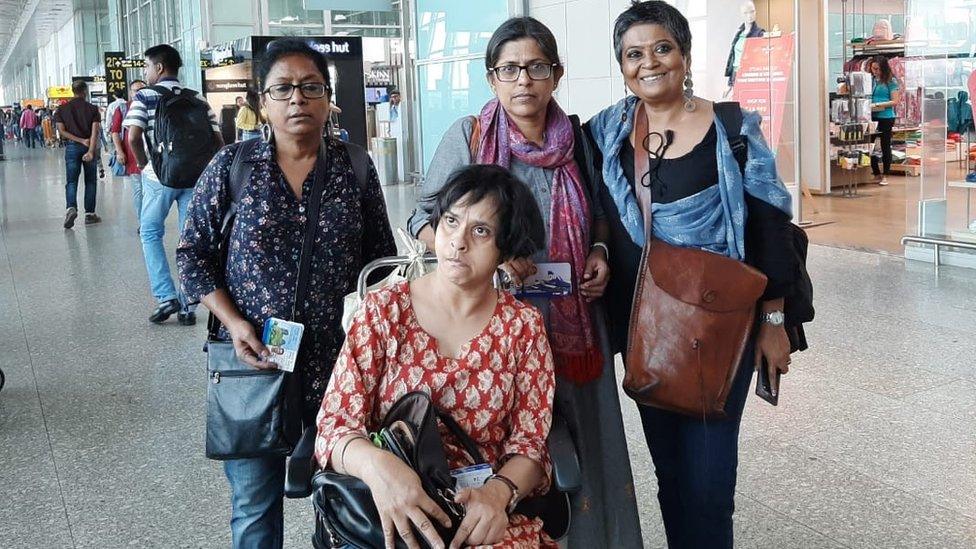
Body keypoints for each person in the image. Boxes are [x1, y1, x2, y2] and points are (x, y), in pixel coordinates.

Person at [407, 16, 643, 547]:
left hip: (575, 325)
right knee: (509, 447)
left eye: (536, 68)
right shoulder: (469, 136)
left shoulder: (578, 140)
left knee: (588, 447)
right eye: (509, 69)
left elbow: (602, 213)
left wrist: (600, 251)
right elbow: (422, 218)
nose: (523, 81)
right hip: (494, 333)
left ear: (556, 75)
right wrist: (485, 262)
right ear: (491, 79)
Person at [586, 3, 798, 547]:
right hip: (651, 331)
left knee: (709, 483)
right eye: (634, 54)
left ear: (684, 55)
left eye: (662, 48)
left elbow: (771, 226)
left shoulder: (732, 128)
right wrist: (604, 248)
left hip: (721, 328)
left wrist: (774, 322)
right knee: (671, 478)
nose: (649, 63)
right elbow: (596, 211)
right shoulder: (607, 133)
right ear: (621, 64)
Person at [177, 37, 396, 549]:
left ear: (328, 97)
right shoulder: (232, 167)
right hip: (253, 363)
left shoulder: (356, 168)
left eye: (310, 87)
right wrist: (234, 323)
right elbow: (191, 257)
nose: (297, 99)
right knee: (254, 509)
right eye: (283, 89)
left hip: (341, 366)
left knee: (344, 498)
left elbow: (381, 263)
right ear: (261, 100)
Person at [317, 164, 556, 549]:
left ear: (506, 249)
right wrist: (379, 468)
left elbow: (530, 444)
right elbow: (334, 426)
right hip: (385, 512)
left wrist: (500, 493)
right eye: (450, 221)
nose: (458, 242)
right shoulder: (384, 312)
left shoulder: (521, 327)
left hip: (484, 517)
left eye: (481, 231)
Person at [124, 44, 224, 326]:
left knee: (150, 232)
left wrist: (146, 166)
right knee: (188, 240)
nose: (145, 72)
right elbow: (218, 142)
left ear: (158, 67)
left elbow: (133, 137)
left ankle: (165, 297)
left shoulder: (145, 96)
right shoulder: (198, 98)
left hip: (160, 177)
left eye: (146, 67)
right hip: (195, 178)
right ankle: (188, 305)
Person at [54, 81, 102, 228]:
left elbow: (62, 131)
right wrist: (90, 150)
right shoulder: (93, 109)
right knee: (90, 181)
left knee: (72, 181)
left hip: (72, 148)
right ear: (85, 91)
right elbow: (95, 132)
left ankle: (71, 208)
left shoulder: (61, 110)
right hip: (89, 146)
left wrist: (79, 140)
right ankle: (90, 214)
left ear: (72, 91)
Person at [110, 80, 147, 232]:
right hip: (133, 157)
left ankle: (150, 220)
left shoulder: (154, 104)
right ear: (130, 93)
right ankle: (143, 223)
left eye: (141, 90)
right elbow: (115, 132)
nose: (138, 93)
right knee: (138, 190)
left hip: (152, 157)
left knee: (152, 191)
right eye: (135, 90)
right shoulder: (124, 108)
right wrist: (120, 151)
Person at [869, 55, 901, 186]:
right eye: (873, 69)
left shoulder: (891, 81)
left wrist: (879, 105)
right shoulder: (870, 80)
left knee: (885, 145)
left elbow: (895, 101)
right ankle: (876, 172)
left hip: (886, 117)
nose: (875, 71)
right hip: (871, 116)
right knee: (869, 145)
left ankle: (886, 174)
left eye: (877, 69)